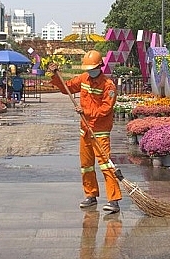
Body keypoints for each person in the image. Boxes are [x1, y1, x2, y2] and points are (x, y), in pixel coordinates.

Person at [47, 50, 121, 213]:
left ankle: (114, 200)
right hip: (85, 129)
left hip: (100, 131)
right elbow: (67, 88)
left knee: (106, 165)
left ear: (100, 66)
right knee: (86, 166)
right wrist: (55, 76)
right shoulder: (83, 78)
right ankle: (91, 195)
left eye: (92, 68)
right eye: (87, 68)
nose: (89, 71)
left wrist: (86, 112)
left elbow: (106, 109)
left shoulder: (108, 85)